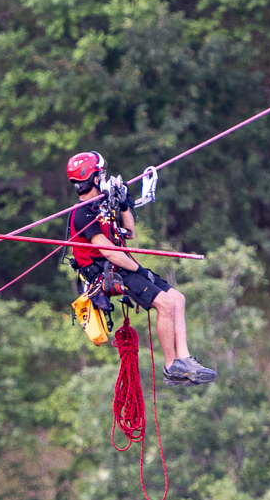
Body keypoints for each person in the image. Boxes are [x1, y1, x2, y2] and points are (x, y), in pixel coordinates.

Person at [64, 150, 216, 385]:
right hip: (108, 272)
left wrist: (124, 205)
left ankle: (184, 359)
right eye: (101, 173)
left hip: (123, 266)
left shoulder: (103, 203)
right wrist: (140, 270)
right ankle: (170, 367)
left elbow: (130, 233)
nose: (104, 176)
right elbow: (108, 251)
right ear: (94, 178)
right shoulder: (82, 213)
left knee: (178, 299)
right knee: (165, 304)